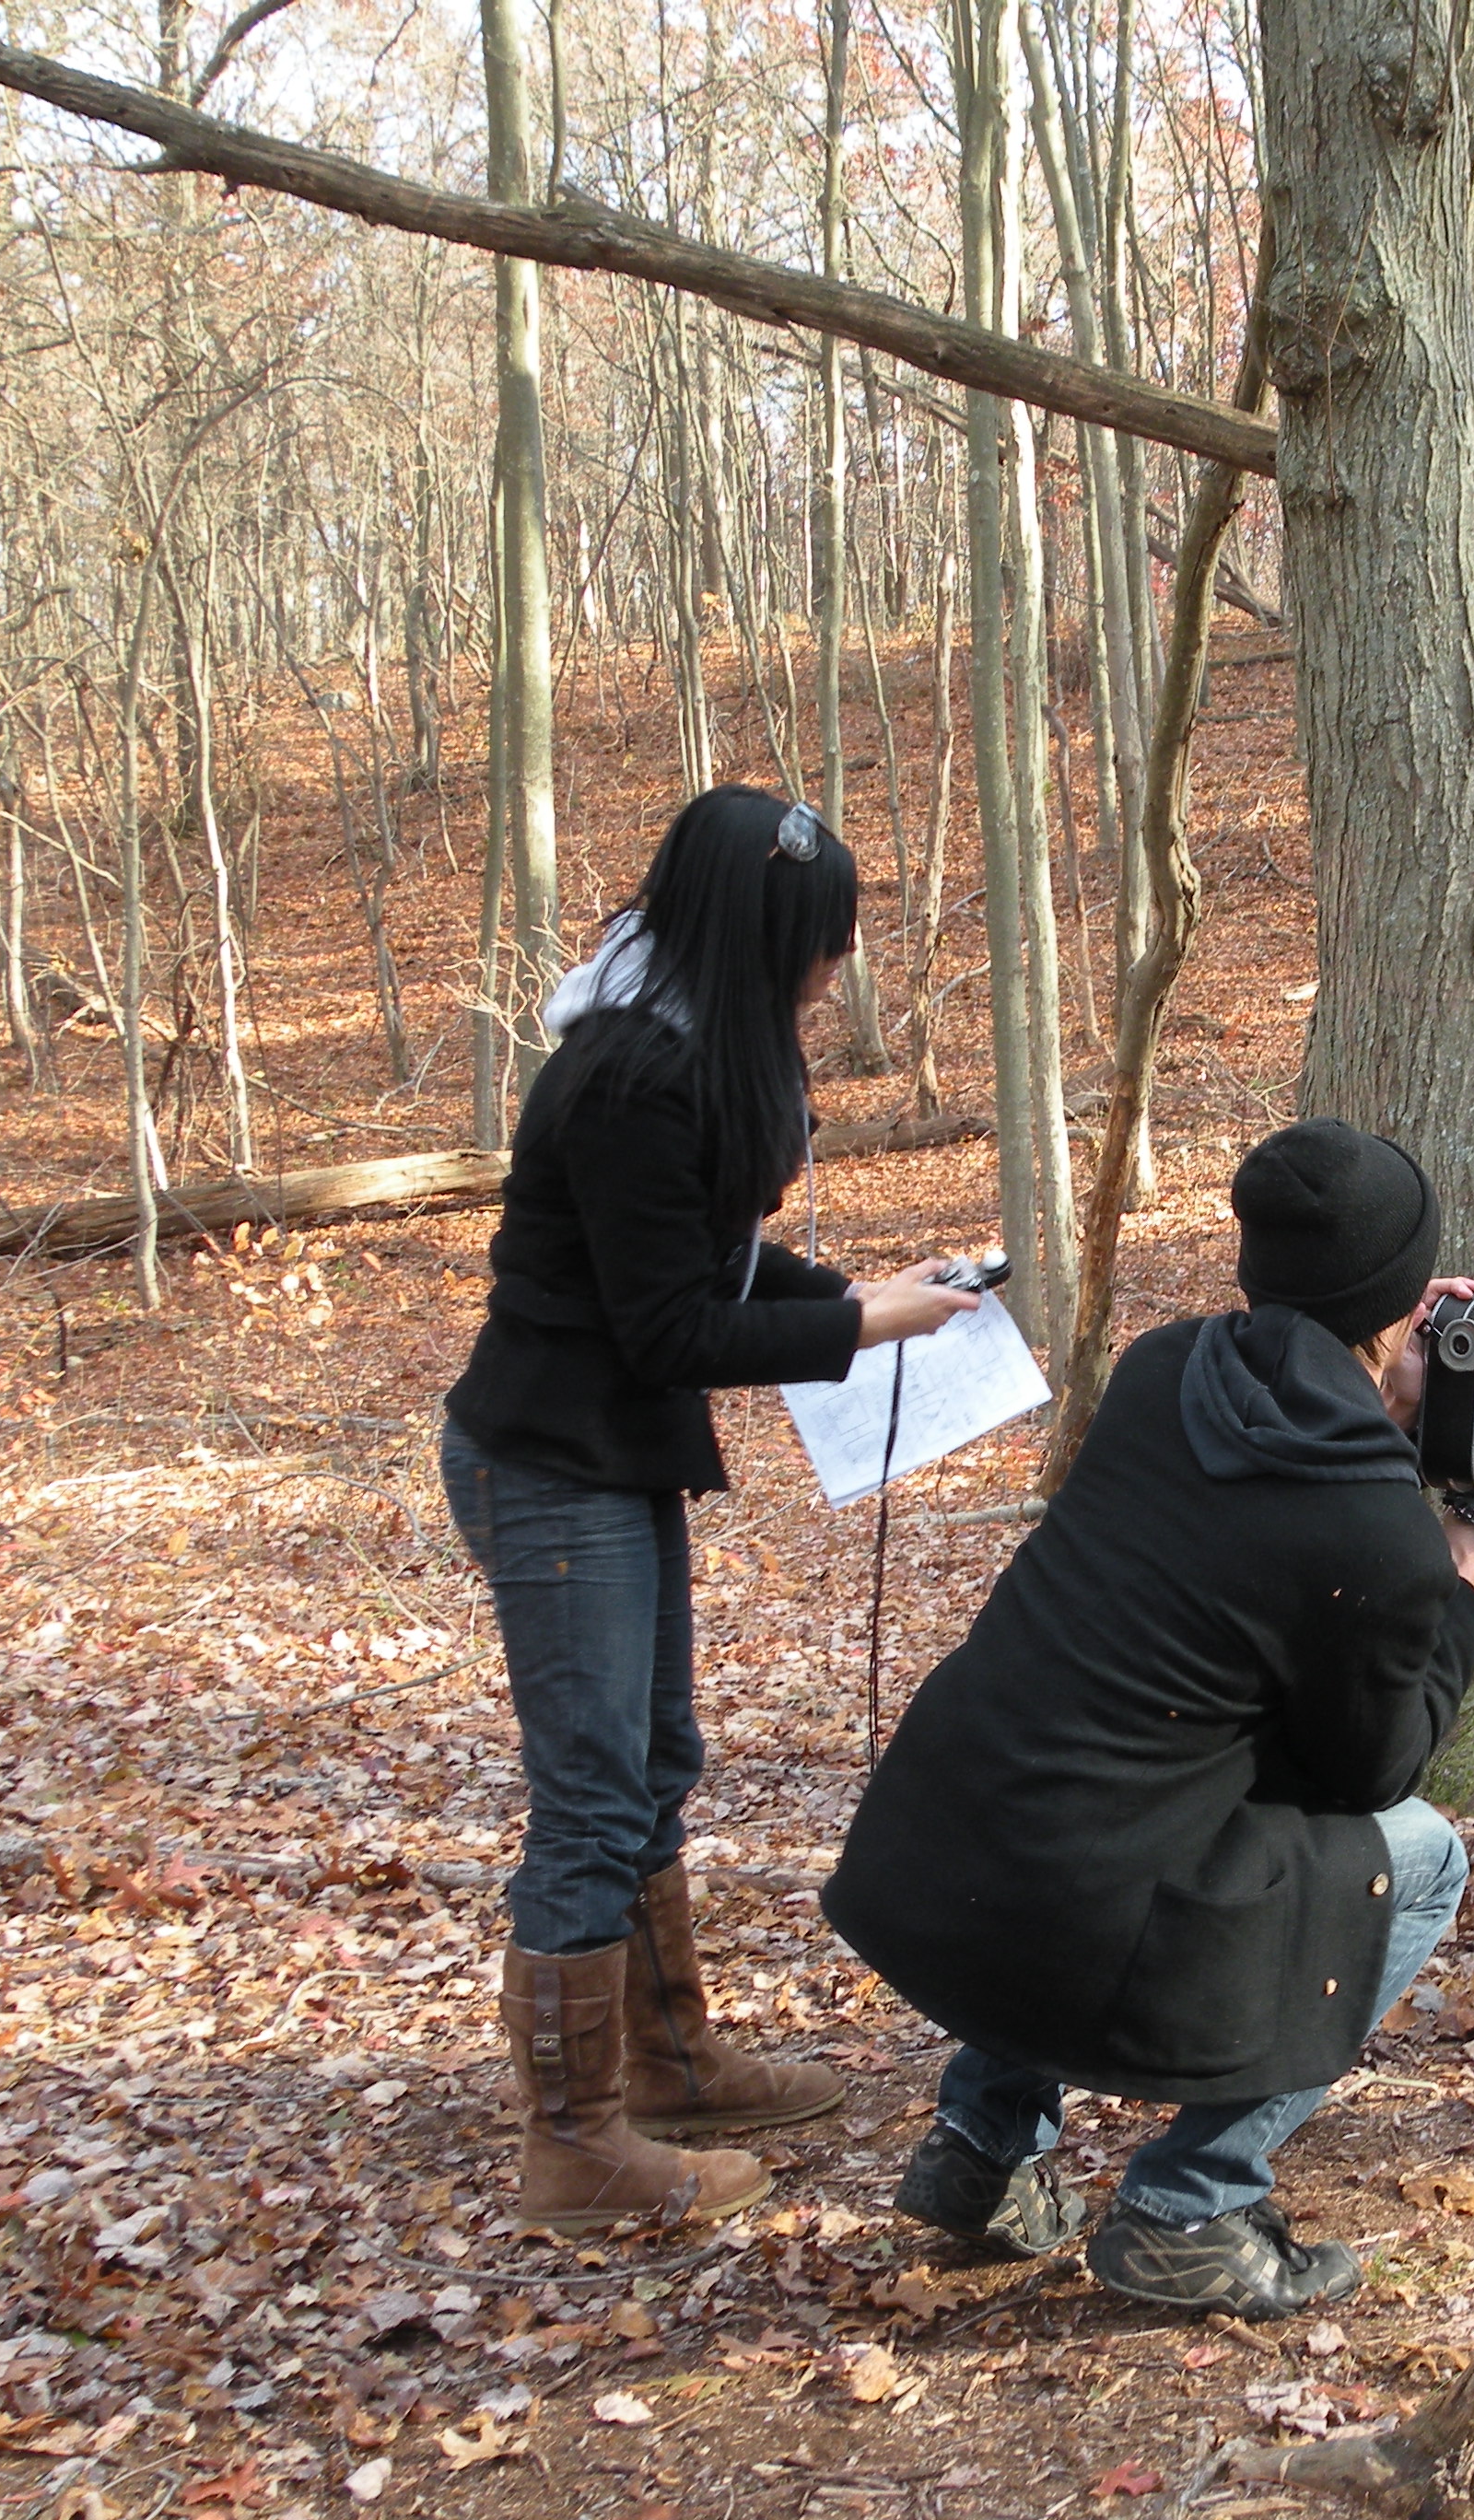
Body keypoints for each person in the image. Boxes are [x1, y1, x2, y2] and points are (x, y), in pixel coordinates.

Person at [823, 1119, 1474, 2319]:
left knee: (1120, 1785)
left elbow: (1262, 1509)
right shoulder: (1374, 1526)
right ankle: (1192, 2205)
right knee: (1422, 1857)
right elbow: (1371, 1771)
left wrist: (1381, 1410)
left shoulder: (1166, 1371)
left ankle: (982, 2154)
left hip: (936, 1858)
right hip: (1065, 1912)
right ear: (1411, 1305)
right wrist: (1466, 1583)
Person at [441, 785, 981, 2235]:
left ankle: (669, 2062)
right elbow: (670, 1327)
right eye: (818, 942)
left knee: (657, 1756)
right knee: (594, 1796)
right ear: (758, 936)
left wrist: (892, 1298)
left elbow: (713, 1268)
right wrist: (862, 1323)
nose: (831, 971)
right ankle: (574, 2141)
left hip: (611, 1458)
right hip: (551, 1461)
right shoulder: (631, 1077)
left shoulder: (692, 1046)